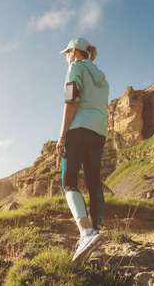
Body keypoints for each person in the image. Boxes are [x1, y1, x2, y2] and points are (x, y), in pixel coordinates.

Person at [56, 37, 109, 262]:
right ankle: (94, 241)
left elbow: (71, 100)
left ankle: (86, 233)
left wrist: (62, 135)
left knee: (69, 183)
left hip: (77, 131)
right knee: (94, 183)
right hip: (98, 134)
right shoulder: (103, 80)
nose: (66, 57)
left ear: (75, 51)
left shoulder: (75, 67)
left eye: (67, 52)